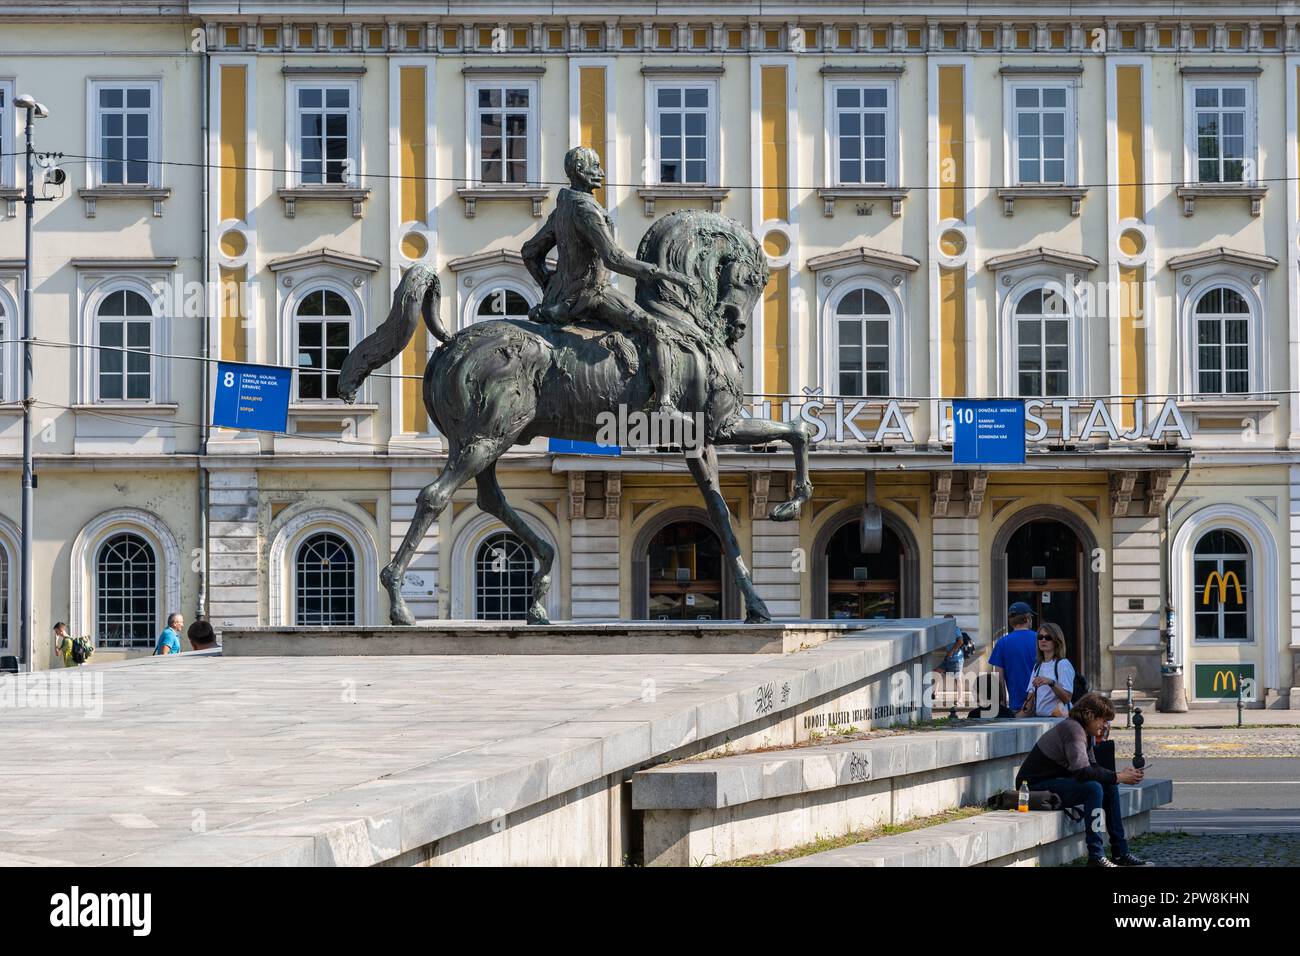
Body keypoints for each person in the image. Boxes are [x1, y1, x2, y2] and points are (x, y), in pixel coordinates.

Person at [521, 145, 692, 414]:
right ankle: (665, 403)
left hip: (563, 296)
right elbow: (613, 258)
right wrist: (662, 274)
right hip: (593, 294)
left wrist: (551, 287)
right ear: (579, 171)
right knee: (656, 328)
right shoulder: (585, 209)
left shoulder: (562, 209)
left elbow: (530, 252)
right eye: (595, 167)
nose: (601, 172)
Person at [1015, 692, 1147, 867]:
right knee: (1094, 788)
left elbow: (1093, 766)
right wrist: (1118, 777)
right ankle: (1096, 856)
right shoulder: (1073, 729)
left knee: (1108, 786)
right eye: (1103, 720)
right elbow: (1082, 771)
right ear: (1089, 715)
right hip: (1033, 787)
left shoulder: (1086, 732)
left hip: (1055, 780)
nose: (1105, 726)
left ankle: (1120, 853)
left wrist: (1117, 776)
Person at [988, 601, 1038, 717]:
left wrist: (1003, 703)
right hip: (1040, 704)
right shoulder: (1040, 640)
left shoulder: (1002, 643)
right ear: (1027, 618)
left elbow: (999, 677)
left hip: (1016, 705)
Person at [1019, 622, 1075, 718]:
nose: (1043, 640)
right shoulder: (1038, 666)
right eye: (1040, 637)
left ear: (1056, 641)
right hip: (1041, 720)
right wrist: (1013, 720)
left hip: (1059, 720)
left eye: (1048, 637)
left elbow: (1067, 698)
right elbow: (1030, 700)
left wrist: (1051, 682)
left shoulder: (1063, 664)